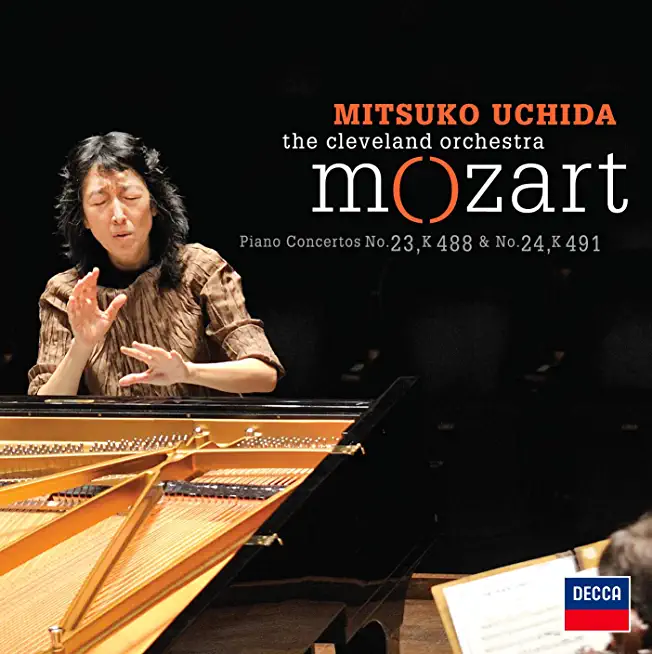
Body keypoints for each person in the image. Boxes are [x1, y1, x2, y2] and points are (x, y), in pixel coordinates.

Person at [27, 131, 284, 396]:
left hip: (199, 424)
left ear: (154, 205)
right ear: (84, 218)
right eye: (100, 202)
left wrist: (188, 372)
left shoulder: (200, 268)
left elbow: (264, 375)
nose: (118, 215)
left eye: (130, 197)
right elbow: (44, 407)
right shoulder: (66, 292)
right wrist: (81, 345)